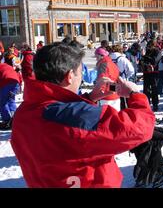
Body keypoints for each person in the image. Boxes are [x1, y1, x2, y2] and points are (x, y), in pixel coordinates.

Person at [11, 42, 155, 188]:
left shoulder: (24, 112)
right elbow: (139, 128)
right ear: (69, 77)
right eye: (79, 73)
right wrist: (135, 94)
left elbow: (64, 129)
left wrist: (90, 98)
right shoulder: (74, 117)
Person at [95, 47, 121, 111]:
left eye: (96, 56)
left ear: (101, 56)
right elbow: (114, 79)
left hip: (106, 98)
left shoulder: (103, 64)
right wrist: (113, 91)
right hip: (115, 95)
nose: (96, 59)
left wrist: (100, 93)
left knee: (106, 118)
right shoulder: (113, 64)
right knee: (115, 117)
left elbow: (102, 79)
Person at [140, 41, 160, 112]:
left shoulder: (157, 51)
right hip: (146, 73)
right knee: (146, 90)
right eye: (148, 46)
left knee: (154, 89)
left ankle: (155, 105)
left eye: (150, 46)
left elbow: (155, 61)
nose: (148, 47)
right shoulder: (146, 52)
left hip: (154, 73)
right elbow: (141, 62)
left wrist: (145, 57)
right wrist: (146, 64)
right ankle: (147, 104)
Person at [0, 63, 21, 130]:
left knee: (3, 102)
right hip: (15, 82)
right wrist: (19, 85)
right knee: (11, 100)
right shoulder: (7, 66)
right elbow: (18, 74)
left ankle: (6, 120)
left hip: (6, 82)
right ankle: (15, 119)